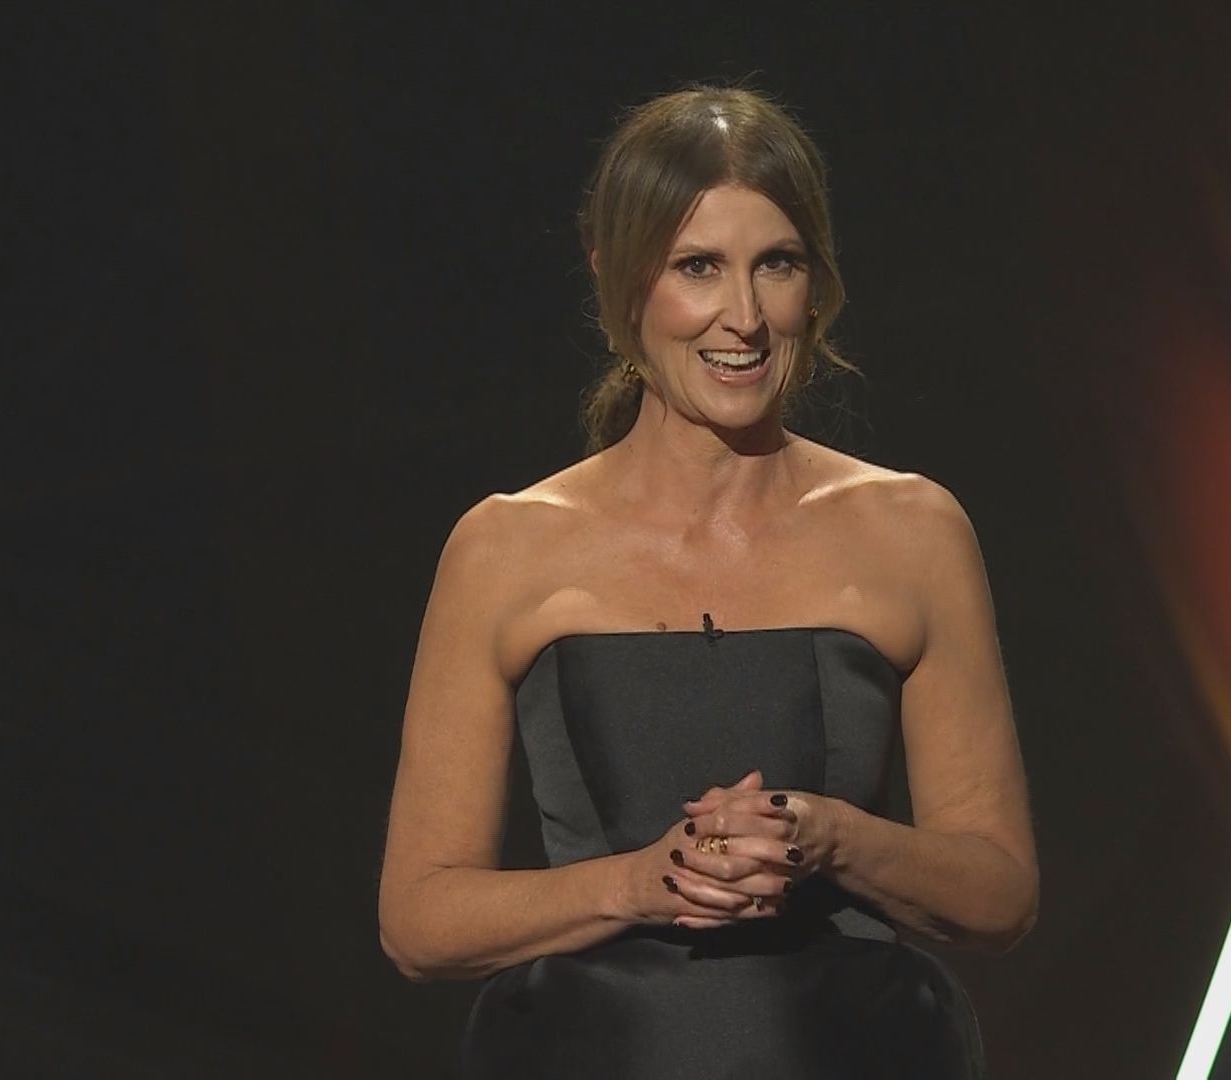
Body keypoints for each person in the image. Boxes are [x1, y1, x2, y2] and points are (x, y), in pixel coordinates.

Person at [377, 85, 1037, 1079]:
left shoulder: (914, 531)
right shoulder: (505, 547)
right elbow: (421, 918)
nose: (745, 316)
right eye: (698, 267)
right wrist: (640, 883)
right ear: (617, 279)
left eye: (777, 263)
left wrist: (826, 836)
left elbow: (998, 895)